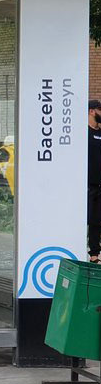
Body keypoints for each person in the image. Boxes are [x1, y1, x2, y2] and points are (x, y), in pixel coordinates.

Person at [89, 100, 101, 263]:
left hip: (99, 185)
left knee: (97, 221)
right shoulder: (83, 133)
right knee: (86, 218)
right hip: (86, 184)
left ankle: (94, 255)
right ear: (92, 111)